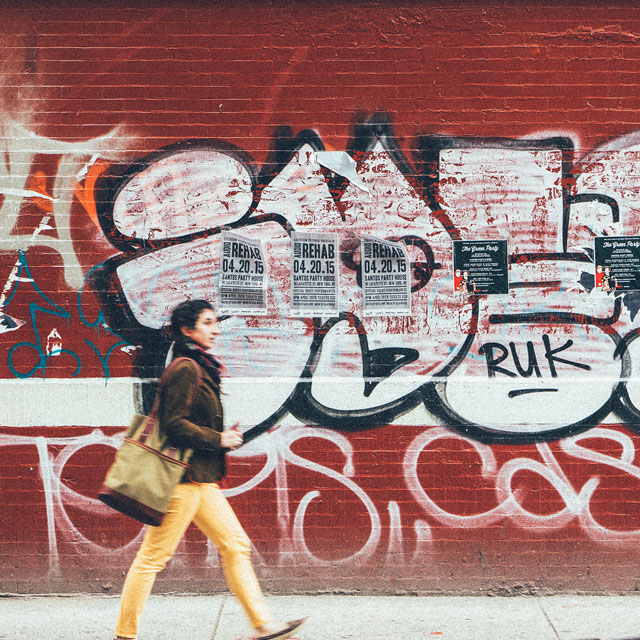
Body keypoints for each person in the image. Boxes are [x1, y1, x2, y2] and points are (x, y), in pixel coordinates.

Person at [114, 299, 306, 640]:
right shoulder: (186, 368)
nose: (215, 329)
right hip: (183, 479)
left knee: (235, 546)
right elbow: (173, 425)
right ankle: (125, 635)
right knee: (153, 558)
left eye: (215, 322)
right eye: (207, 323)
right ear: (187, 330)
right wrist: (219, 438)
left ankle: (263, 626)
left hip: (200, 478)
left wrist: (219, 438)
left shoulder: (200, 365)